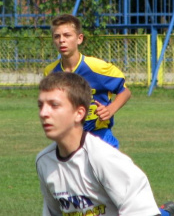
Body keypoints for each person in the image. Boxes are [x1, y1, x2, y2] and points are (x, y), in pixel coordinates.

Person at [36, 72, 174, 216]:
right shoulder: (44, 161)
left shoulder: (102, 157)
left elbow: (144, 211)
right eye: (41, 105)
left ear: (79, 113)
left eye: (54, 105)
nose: (43, 113)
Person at [44, 14, 131, 149]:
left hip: (100, 137)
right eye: (57, 36)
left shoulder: (97, 68)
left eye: (67, 35)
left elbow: (125, 91)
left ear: (79, 39)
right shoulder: (50, 73)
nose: (62, 40)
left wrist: (110, 109)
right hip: (68, 139)